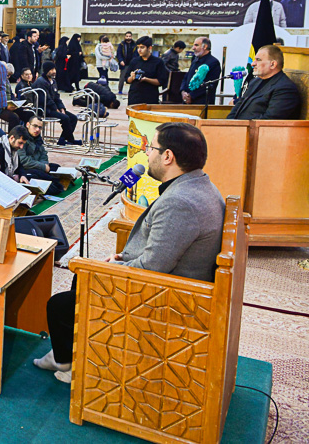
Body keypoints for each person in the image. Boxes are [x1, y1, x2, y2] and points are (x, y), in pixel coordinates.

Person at [36, 123, 225, 383]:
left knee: (59, 304)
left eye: (151, 148)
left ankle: (70, 363)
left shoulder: (180, 202)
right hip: (176, 283)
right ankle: (70, 354)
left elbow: (152, 269)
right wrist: (123, 259)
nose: (147, 154)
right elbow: (164, 249)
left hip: (169, 299)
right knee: (82, 280)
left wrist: (114, 268)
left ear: (168, 156)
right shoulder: (198, 185)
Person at [227, 45, 302, 120]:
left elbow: (268, 120)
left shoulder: (285, 89)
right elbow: (238, 107)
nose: (253, 64)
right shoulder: (255, 81)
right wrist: (228, 123)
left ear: (272, 64)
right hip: (238, 125)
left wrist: (238, 125)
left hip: (255, 127)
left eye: (258, 60)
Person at [35, 62, 81, 145]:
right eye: (51, 69)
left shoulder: (53, 82)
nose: (54, 71)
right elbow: (46, 99)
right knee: (65, 118)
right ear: (46, 70)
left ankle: (65, 139)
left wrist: (62, 108)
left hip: (53, 107)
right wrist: (56, 109)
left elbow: (57, 97)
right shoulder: (41, 82)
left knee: (73, 118)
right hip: (45, 109)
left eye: (54, 69)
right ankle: (66, 139)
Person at [18, 117, 63, 186]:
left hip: (37, 164)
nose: (37, 129)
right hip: (26, 168)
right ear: (28, 125)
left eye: (40, 127)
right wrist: (43, 167)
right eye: (35, 126)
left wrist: (45, 165)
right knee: (51, 181)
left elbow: (43, 154)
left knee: (57, 168)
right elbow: (23, 161)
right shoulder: (22, 138)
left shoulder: (38, 138)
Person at [126, 36, 170, 106]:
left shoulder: (158, 62)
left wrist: (146, 79)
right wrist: (132, 77)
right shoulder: (134, 61)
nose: (139, 50)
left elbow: (161, 81)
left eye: (142, 47)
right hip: (134, 96)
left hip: (150, 97)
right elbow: (127, 79)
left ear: (149, 48)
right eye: (138, 47)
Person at [180, 36, 222, 106]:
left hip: (201, 102)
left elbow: (210, 84)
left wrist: (192, 96)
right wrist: (183, 91)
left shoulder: (213, 62)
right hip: (187, 101)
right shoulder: (195, 59)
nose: (193, 48)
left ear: (205, 46)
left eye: (196, 45)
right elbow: (187, 77)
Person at [115, 31, 136, 96]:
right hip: (124, 64)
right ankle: (120, 90)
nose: (128, 37)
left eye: (129, 36)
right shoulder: (121, 44)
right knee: (122, 78)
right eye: (127, 36)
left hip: (133, 64)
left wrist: (134, 62)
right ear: (125, 37)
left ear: (131, 37)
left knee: (133, 78)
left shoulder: (135, 45)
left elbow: (136, 54)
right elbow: (119, 53)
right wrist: (121, 60)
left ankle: (133, 91)